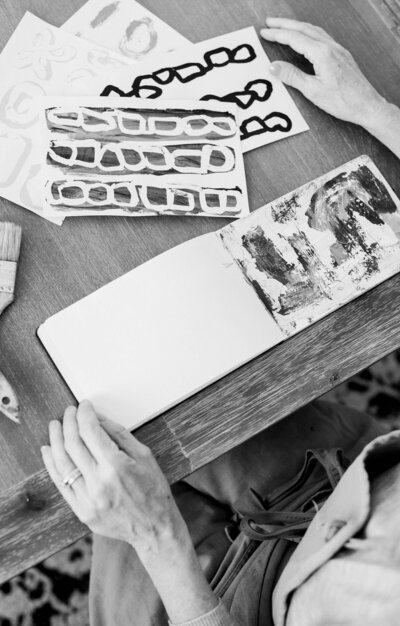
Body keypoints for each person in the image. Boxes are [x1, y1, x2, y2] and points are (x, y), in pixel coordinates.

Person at [41, 18, 400, 626]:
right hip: (351, 480)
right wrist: (378, 112)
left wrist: (156, 536)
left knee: (82, 438)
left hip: (236, 611)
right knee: (127, 377)